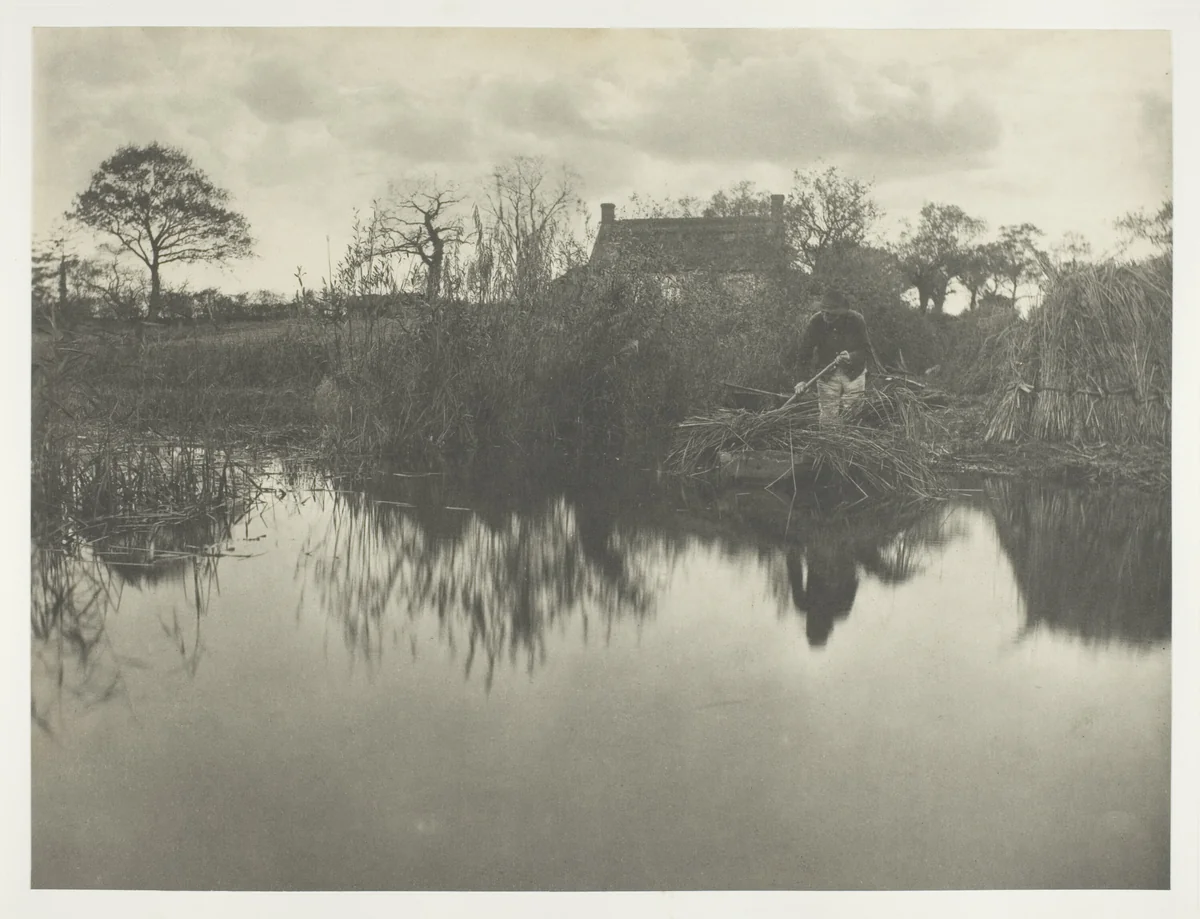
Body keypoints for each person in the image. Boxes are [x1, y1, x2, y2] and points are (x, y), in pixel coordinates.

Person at [790, 290, 881, 425]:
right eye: (823, 311)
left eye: (831, 314)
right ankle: (830, 443)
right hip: (827, 375)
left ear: (841, 314)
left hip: (854, 374)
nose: (826, 316)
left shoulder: (856, 321)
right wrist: (801, 380)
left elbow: (866, 350)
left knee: (853, 415)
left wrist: (851, 356)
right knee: (828, 418)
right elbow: (805, 352)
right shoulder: (816, 322)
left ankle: (852, 441)